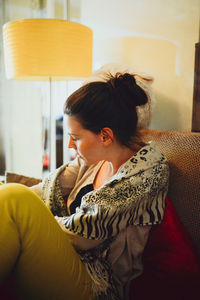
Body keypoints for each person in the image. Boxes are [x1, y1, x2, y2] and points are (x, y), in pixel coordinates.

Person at [0, 72, 169, 300]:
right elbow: (47, 187)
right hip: (67, 259)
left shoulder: (146, 174)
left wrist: (25, 217)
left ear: (106, 136)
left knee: (15, 197)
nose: (70, 144)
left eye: (76, 137)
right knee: (11, 196)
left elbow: (81, 234)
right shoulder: (93, 160)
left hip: (98, 286)